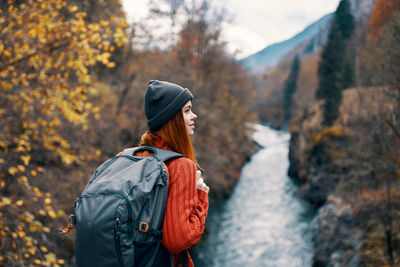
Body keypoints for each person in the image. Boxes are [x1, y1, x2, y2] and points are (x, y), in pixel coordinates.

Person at [136, 80, 209, 267]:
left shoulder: (131, 156)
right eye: (187, 111)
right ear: (172, 119)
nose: (194, 116)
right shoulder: (181, 165)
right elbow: (178, 241)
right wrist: (200, 196)